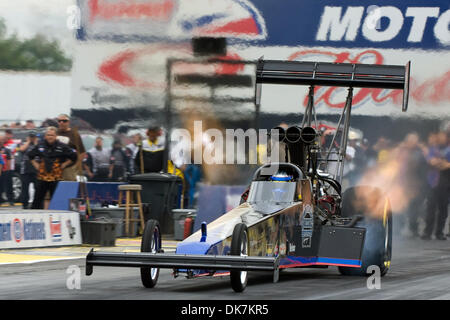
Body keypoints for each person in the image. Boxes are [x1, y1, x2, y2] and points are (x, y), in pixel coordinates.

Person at [28, 127, 78, 209]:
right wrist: (36, 164)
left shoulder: (62, 146)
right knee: (37, 201)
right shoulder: (40, 145)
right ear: (45, 136)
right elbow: (30, 155)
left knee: (56, 201)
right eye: (48, 135)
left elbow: (74, 156)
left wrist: (65, 164)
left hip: (56, 178)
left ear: (56, 136)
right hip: (42, 178)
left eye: (52, 135)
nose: (50, 137)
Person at [422, 131, 450, 240]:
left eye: (443, 137)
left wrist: (442, 164)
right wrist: (443, 163)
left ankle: (439, 232)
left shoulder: (448, 149)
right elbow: (431, 161)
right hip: (432, 183)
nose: (441, 138)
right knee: (430, 208)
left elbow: (447, 165)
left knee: (443, 209)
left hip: (445, 184)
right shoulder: (432, 149)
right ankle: (427, 232)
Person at [56, 114, 86, 181]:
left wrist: (76, 166)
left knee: (68, 189)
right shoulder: (54, 133)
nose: (61, 122)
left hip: (69, 168)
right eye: (59, 121)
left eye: (64, 121)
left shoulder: (74, 134)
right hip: (55, 168)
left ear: (68, 122)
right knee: (53, 190)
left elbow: (82, 152)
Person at [18, 131, 39, 209]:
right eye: (31, 136)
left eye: (33, 136)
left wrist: (36, 142)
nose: (32, 138)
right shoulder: (24, 143)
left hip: (36, 169)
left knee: (37, 187)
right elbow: (21, 149)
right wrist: (28, 141)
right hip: (25, 170)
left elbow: (40, 151)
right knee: (25, 188)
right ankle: (25, 204)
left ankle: (36, 203)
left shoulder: (38, 144)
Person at [0, 135, 14, 205]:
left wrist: (8, 170)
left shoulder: (6, 150)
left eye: (2, 140)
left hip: (5, 171)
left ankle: (11, 200)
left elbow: (9, 160)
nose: (1, 141)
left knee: (8, 186)